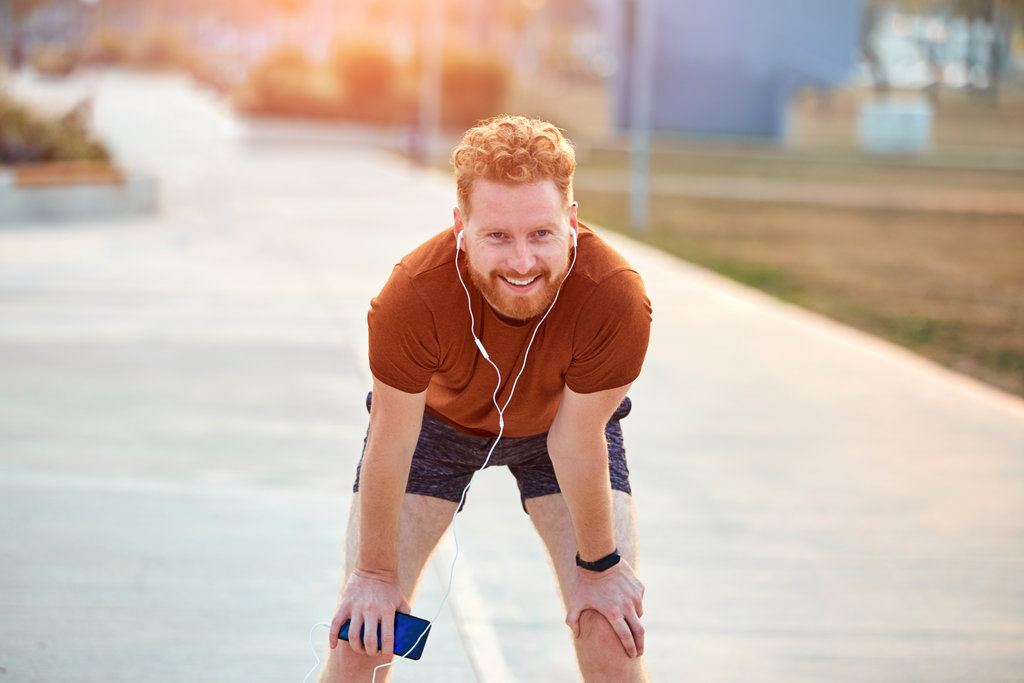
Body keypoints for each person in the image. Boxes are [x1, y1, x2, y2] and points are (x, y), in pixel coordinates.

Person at [321, 115, 652, 682]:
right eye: (497, 235)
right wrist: (373, 576)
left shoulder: (615, 298)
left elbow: (575, 441)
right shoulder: (411, 296)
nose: (521, 262)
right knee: (365, 636)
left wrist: (599, 569)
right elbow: (392, 442)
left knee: (609, 628)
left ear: (571, 221)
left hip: (563, 427)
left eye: (542, 234)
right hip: (435, 426)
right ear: (460, 227)